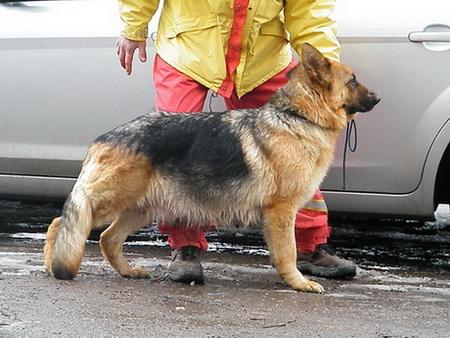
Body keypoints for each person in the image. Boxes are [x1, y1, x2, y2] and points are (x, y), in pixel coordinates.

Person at [116, 0, 357, 283]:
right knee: (177, 152)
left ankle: (308, 245)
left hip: (260, 58)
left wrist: (326, 70)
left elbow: (309, 10)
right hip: (189, 49)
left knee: (294, 152)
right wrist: (134, 28)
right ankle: (185, 246)